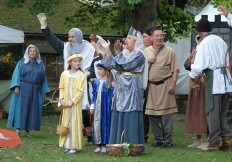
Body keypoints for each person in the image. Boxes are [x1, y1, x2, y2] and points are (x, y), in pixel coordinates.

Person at [37, 13, 95, 110]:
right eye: (69, 37)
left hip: (84, 86)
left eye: (72, 37)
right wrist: (45, 27)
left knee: (83, 115)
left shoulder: (90, 49)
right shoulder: (66, 47)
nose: (70, 39)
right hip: (69, 85)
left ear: (79, 37)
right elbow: (53, 40)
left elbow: (98, 66)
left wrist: (89, 74)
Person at [189, 18, 232, 151]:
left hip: (214, 80)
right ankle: (226, 139)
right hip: (226, 81)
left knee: (212, 111)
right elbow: (228, 60)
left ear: (199, 31)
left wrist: (192, 75)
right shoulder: (220, 40)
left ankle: (213, 141)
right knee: (221, 113)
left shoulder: (204, 43)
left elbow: (200, 64)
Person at [99, 27, 147, 145]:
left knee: (131, 111)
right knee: (119, 110)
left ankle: (132, 143)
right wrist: (107, 49)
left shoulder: (140, 55)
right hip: (121, 87)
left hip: (132, 86)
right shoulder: (123, 53)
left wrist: (116, 54)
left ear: (136, 42)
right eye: (126, 38)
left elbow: (125, 66)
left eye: (130, 38)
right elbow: (110, 64)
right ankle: (118, 142)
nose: (126, 40)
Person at [144, 28, 179, 147]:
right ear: (152, 38)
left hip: (165, 85)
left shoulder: (169, 51)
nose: (159, 38)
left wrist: (173, 84)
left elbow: (175, 69)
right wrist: (148, 61)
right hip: (151, 87)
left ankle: (168, 140)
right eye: (157, 36)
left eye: (161, 35)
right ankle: (158, 139)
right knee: (152, 114)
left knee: (166, 115)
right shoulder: (146, 50)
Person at [7, 45, 50, 137]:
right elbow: (16, 75)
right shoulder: (21, 63)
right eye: (31, 51)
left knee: (32, 110)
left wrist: (44, 91)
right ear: (28, 52)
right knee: (21, 109)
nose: (32, 53)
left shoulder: (40, 64)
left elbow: (43, 79)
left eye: (34, 51)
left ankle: (27, 131)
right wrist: (16, 86)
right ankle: (18, 130)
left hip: (35, 90)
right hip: (23, 89)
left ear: (37, 53)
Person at [58, 54, 86, 154]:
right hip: (65, 103)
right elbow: (61, 88)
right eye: (75, 61)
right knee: (66, 123)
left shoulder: (81, 75)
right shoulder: (64, 74)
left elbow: (80, 91)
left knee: (74, 122)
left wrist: (73, 101)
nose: (77, 63)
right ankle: (67, 145)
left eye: (79, 61)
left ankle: (74, 146)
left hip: (75, 103)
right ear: (70, 63)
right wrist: (61, 99)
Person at [184, 35, 208, 149]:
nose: (200, 41)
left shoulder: (208, 50)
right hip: (194, 83)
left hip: (205, 82)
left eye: (202, 39)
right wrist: (191, 61)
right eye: (199, 39)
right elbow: (186, 66)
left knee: (206, 109)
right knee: (195, 109)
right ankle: (198, 139)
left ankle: (209, 138)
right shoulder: (195, 50)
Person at [89, 62, 114, 153]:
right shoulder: (96, 82)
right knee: (97, 124)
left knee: (106, 124)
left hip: (107, 108)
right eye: (98, 69)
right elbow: (94, 95)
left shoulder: (111, 82)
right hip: (98, 107)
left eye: (100, 69)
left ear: (106, 71)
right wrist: (92, 106)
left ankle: (105, 144)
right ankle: (98, 143)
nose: (98, 71)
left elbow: (113, 95)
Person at [142, 27, 154, 143]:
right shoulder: (142, 49)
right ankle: (143, 134)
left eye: (145, 37)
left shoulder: (156, 50)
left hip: (154, 84)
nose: (143, 39)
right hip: (144, 84)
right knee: (144, 109)